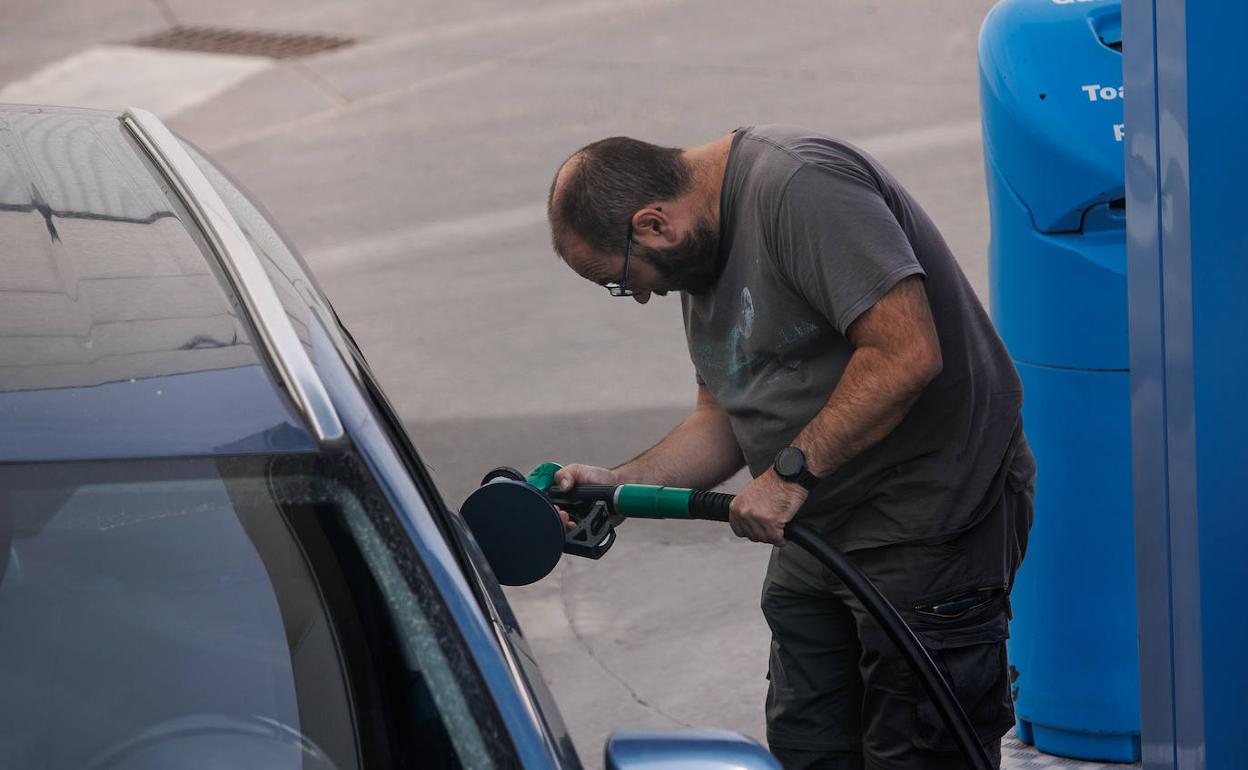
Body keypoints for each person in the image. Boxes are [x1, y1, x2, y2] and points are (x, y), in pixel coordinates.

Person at [544, 124, 1035, 770]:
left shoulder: (802, 187)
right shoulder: (700, 256)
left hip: (925, 523)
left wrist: (789, 475)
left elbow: (906, 352)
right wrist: (617, 483)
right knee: (810, 750)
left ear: (653, 223)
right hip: (819, 539)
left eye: (621, 278)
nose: (638, 295)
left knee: (920, 751)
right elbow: (724, 419)